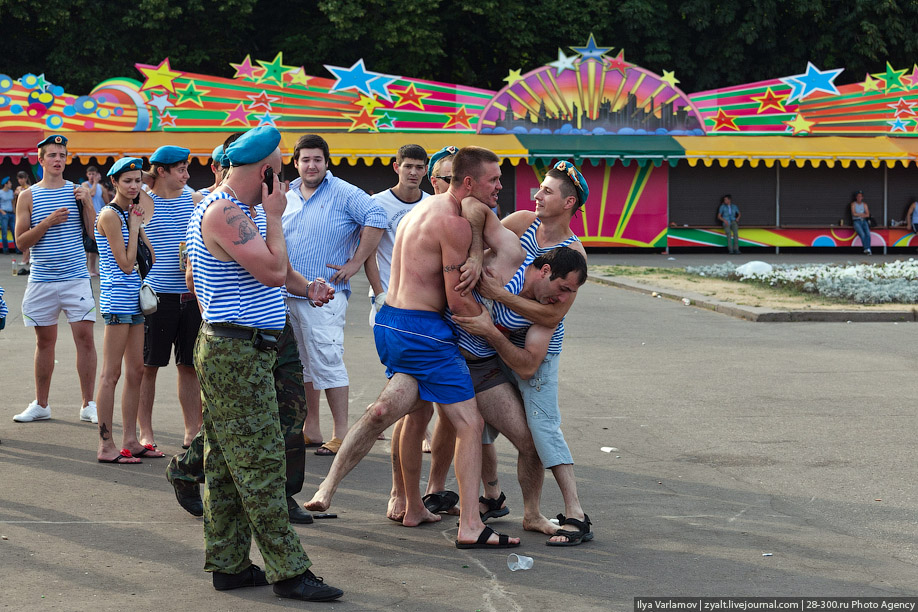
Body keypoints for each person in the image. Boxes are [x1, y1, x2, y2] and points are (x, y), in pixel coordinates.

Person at [306, 146, 522, 549]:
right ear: (470, 182)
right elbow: (457, 301)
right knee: (470, 424)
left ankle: (355, 494)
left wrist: (476, 256)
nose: (500, 186)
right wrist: (495, 325)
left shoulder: (419, 212)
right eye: (494, 179)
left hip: (391, 322)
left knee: (389, 412)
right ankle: (471, 524)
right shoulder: (453, 224)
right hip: (425, 332)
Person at [186, 125, 342, 601]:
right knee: (261, 463)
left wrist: (306, 286)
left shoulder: (237, 209)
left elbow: (278, 274)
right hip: (236, 351)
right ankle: (289, 572)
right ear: (266, 171)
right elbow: (271, 267)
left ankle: (230, 564)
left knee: (227, 464)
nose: (290, 176)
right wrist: (277, 215)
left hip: (241, 348)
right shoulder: (224, 212)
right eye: (281, 168)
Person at [472, 160, 592, 545]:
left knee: (542, 429)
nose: (536, 196)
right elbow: (482, 232)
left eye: (547, 192)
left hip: (534, 352)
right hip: (496, 341)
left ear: (569, 202)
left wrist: (499, 296)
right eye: (539, 189)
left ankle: (575, 511)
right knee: (480, 426)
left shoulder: (573, 254)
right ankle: (492, 498)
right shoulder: (522, 222)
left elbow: (552, 313)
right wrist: (476, 258)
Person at [282, 134, 386, 456]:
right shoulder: (287, 195)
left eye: (317, 159)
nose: (311, 165)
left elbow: (377, 217)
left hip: (326, 294)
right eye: (305, 160)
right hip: (287, 293)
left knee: (327, 360)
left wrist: (355, 262)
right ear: (296, 163)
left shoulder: (343, 192)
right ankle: (310, 428)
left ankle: (342, 433)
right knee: (302, 363)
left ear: (327, 162)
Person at [12, 134, 98, 424]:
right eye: (52, 155)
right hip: (42, 279)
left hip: (76, 278)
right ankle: (41, 404)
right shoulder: (28, 195)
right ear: (41, 159)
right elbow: (21, 242)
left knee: (85, 339)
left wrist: (88, 203)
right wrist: (47, 222)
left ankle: (89, 404)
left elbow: (93, 234)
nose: (58, 159)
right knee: (44, 343)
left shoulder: (78, 190)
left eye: (62, 154)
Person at [94, 158, 160, 463]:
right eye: (128, 181)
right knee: (111, 373)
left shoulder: (129, 212)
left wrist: (139, 223)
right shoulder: (109, 215)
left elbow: (152, 258)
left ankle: (131, 439)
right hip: (117, 300)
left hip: (135, 300)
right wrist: (133, 227)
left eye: (138, 181)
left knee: (136, 371)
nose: (135, 186)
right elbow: (126, 263)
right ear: (114, 182)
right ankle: (106, 446)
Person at [138, 146, 204, 449]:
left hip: (191, 295)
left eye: (187, 168)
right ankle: (145, 432)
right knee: (147, 366)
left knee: (189, 366)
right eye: (180, 169)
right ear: (161, 171)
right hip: (155, 296)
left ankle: (193, 431)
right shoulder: (141, 203)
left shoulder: (195, 200)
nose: (187, 175)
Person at [82, 165, 106, 276]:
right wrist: (95, 183)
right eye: (90, 174)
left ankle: (93, 269)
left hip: (100, 217)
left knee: (96, 246)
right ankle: (88, 269)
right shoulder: (85, 185)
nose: (92, 176)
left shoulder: (101, 187)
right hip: (89, 218)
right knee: (89, 247)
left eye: (94, 174)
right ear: (87, 175)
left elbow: (107, 200)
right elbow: (91, 193)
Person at [14, 171, 32, 270]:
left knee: (27, 237)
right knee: (20, 237)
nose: (20, 180)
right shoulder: (18, 188)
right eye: (19, 179)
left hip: (27, 214)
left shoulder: (29, 188)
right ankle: (25, 258)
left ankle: (26, 259)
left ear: (25, 178)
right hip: (19, 213)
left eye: (22, 178)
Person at [850, 190, 872, 255]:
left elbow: (868, 214)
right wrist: (862, 214)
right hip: (856, 221)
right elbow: (853, 214)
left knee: (868, 234)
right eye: (858, 196)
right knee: (862, 234)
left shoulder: (864, 204)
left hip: (864, 221)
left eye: (861, 196)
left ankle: (868, 249)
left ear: (862, 197)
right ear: (856, 197)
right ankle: (866, 249)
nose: (859, 198)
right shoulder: (853, 204)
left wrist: (859, 214)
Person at [0, 177, 15, 253]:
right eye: (9, 183)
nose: (11, 184)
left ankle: (18, 249)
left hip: (11, 213)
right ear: (6, 184)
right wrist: (2, 212)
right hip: (4, 213)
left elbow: (12, 202)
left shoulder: (11, 192)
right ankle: (5, 250)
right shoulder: (0, 193)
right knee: (4, 232)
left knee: (14, 231)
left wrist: (14, 211)